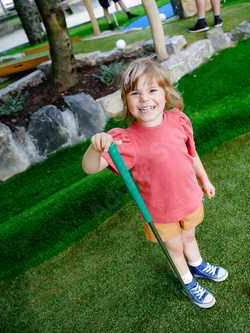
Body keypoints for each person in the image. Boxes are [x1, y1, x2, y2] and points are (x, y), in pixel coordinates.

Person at [82, 57, 228, 309]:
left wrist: (204, 179)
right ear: (127, 101)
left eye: (152, 90)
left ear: (165, 93)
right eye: (136, 93)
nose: (145, 99)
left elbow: (191, 154)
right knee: (174, 248)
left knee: (189, 237)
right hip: (160, 212)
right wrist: (95, 147)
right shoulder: (124, 141)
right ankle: (187, 282)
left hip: (189, 198)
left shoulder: (179, 120)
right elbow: (90, 168)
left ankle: (198, 265)